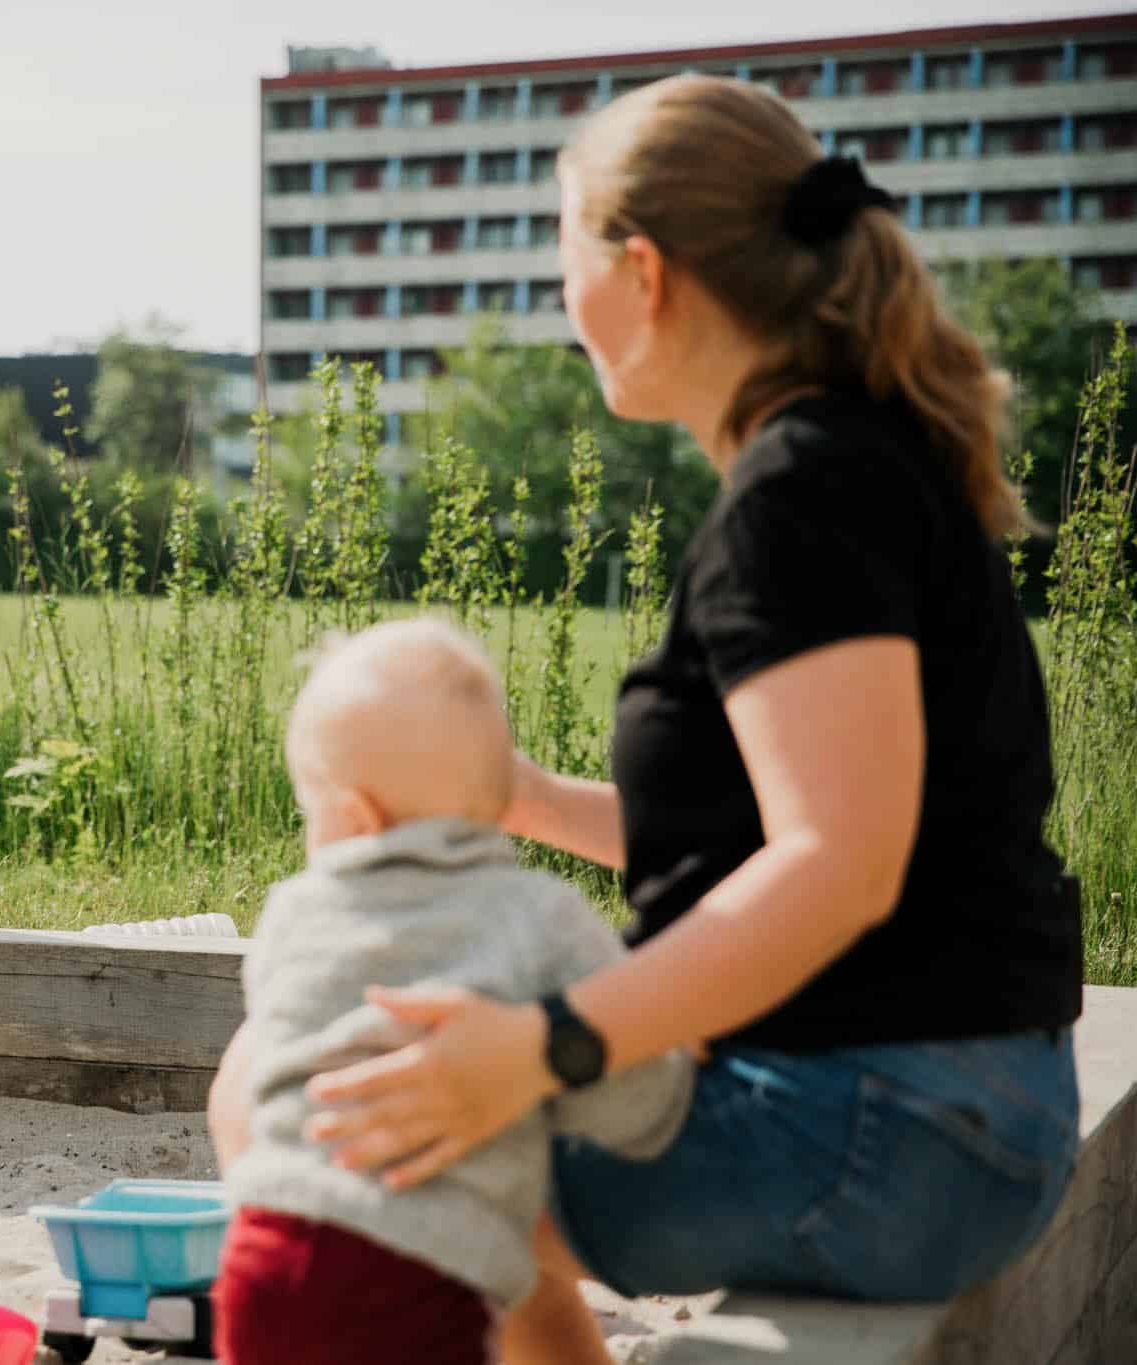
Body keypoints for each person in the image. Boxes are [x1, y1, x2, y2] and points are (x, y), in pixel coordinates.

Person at [214, 75, 1084, 1365]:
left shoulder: (799, 496)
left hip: (879, 1130)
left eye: (563, 254)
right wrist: (507, 795)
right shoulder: (850, 461)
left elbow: (834, 867)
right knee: (393, 1101)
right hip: (943, 1105)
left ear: (640, 270)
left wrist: (547, 1043)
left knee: (305, 1113)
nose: (562, 302)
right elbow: (773, 839)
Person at [211, 619, 692, 1365]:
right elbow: (628, 1087)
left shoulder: (290, 911)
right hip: (416, 1280)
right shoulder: (542, 915)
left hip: (259, 1258)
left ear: (356, 816)